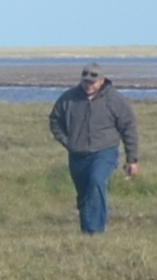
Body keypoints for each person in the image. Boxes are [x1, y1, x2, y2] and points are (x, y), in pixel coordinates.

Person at [49, 66, 141, 233]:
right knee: (84, 194)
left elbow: (129, 129)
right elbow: (55, 121)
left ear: (102, 81)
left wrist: (132, 159)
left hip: (105, 151)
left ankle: (95, 231)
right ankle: (87, 232)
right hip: (77, 154)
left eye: (92, 82)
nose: (88, 85)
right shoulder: (68, 98)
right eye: (85, 81)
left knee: (97, 181)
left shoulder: (115, 99)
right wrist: (68, 142)